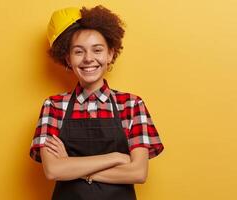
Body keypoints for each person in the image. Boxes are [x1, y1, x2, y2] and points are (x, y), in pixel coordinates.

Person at [30, 5, 164, 200]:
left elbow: (138, 173)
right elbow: (53, 171)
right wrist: (115, 158)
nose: (88, 59)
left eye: (97, 50)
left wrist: (71, 165)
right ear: (68, 58)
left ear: (110, 54)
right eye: (78, 52)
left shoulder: (131, 105)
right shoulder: (54, 106)